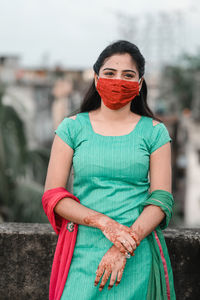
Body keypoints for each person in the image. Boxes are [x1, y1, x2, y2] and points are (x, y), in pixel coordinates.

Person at [43, 40, 176, 300]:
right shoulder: (71, 128)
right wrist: (105, 224)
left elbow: (161, 200)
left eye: (128, 75)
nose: (118, 80)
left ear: (139, 84)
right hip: (82, 249)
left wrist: (124, 246)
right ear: (96, 78)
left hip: (137, 252)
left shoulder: (155, 132)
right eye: (110, 73)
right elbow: (54, 195)